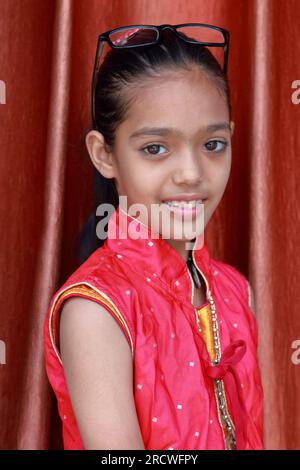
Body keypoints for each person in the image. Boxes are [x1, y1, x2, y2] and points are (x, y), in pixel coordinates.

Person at [43, 24, 264, 450]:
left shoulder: (235, 290)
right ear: (104, 154)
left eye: (213, 144)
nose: (191, 173)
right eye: (155, 148)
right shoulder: (97, 310)